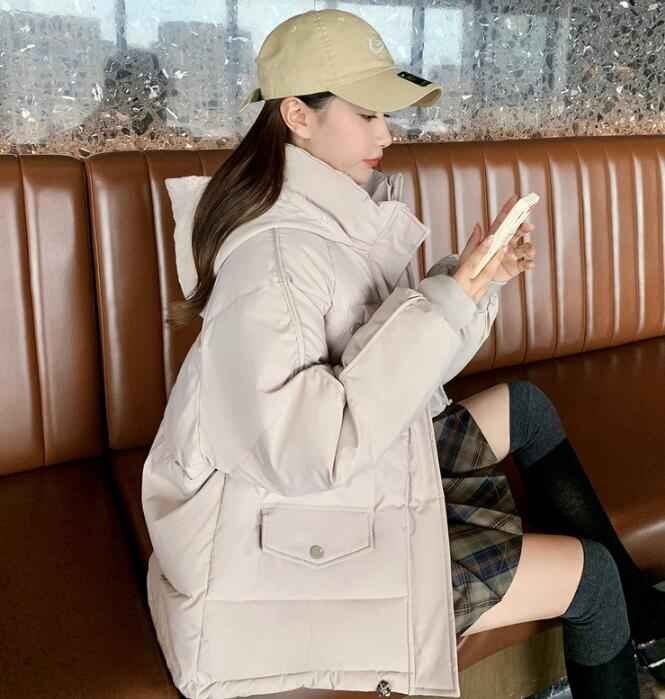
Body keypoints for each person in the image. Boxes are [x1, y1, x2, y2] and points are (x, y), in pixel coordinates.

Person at [141, 9, 664, 699]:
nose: (386, 133)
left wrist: (472, 286)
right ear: (297, 115)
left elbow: (389, 369)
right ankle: (630, 619)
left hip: (341, 490)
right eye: (367, 113)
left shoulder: (325, 217)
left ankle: (645, 625)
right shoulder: (275, 259)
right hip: (289, 550)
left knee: (526, 408)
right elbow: (308, 449)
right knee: (591, 578)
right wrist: (448, 300)